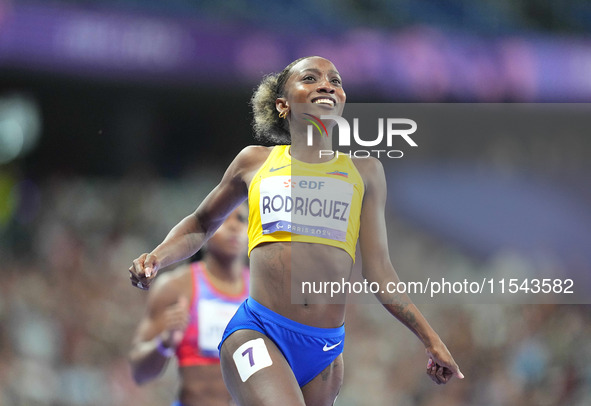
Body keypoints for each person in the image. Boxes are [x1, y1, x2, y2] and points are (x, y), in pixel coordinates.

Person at [129, 56, 464, 406]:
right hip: (258, 332)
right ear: (283, 104)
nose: (326, 84)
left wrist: (430, 339)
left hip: (325, 352)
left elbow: (380, 272)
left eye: (335, 80)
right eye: (311, 78)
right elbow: (201, 223)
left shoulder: (365, 172)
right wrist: (156, 257)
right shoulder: (255, 162)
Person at [128, 205, 249, 406]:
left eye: (241, 219)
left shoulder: (262, 292)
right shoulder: (176, 287)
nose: (234, 226)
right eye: (225, 218)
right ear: (206, 229)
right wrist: (164, 343)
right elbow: (139, 373)